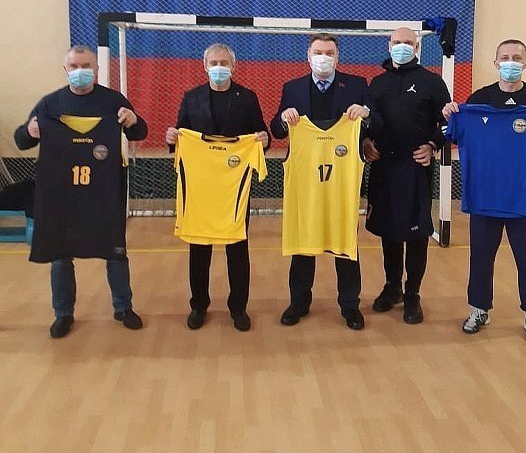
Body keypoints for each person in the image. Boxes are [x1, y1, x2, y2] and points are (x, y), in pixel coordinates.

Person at [443, 38, 526, 345]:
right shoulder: (479, 99)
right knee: (480, 256)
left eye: (517, 57)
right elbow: (449, 135)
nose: (511, 62)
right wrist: (449, 116)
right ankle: (479, 309)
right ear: (495, 62)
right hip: (484, 196)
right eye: (505, 57)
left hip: (524, 197)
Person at [14, 45, 148, 339]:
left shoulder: (114, 101)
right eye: (74, 67)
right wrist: (29, 132)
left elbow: (140, 133)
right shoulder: (50, 104)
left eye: (86, 66)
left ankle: (123, 307)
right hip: (62, 193)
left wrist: (134, 121)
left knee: (115, 249)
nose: (80, 72)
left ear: (96, 69)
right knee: (61, 253)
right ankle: (63, 313)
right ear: (66, 70)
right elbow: (21, 140)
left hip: (104, 190)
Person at [270, 33, 372, 330]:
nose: (323, 57)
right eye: (318, 52)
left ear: (338, 57)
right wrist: (283, 117)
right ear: (308, 56)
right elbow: (277, 130)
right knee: (303, 242)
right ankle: (299, 301)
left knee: (345, 243)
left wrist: (366, 115)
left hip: (342, 179)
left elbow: (375, 124)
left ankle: (350, 305)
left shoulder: (356, 85)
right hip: (306, 181)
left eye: (329, 52)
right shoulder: (292, 88)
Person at [166, 43, 270, 332]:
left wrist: (264, 140)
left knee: (237, 247)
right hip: (201, 186)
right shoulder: (192, 97)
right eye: (214, 62)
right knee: (199, 248)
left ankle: (238, 307)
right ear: (205, 65)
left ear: (234, 66)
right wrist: (172, 138)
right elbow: (180, 134)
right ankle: (199, 305)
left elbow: (261, 133)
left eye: (224, 62)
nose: (219, 67)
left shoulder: (247, 98)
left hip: (234, 186)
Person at [364, 27, 450, 324]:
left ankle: (412, 293)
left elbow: (449, 123)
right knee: (388, 230)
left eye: (408, 43)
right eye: (397, 42)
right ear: (389, 46)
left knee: (417, 233)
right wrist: (366, 142)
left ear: (417, 48)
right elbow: (368, 122)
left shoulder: (432, 82)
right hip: (384, 167)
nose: (402, 47)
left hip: (415, 167)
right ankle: (392, 287)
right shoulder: (377, 83)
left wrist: (433, 145)